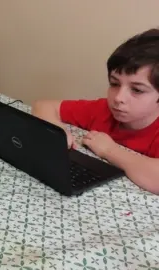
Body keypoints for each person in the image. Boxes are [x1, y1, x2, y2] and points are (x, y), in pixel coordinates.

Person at [31, 28, 159, 194]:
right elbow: (43, 105)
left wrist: (110, 151)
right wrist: (56, 130)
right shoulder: (103, 109)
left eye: (137, 90)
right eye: (114, 84)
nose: (119, 98)